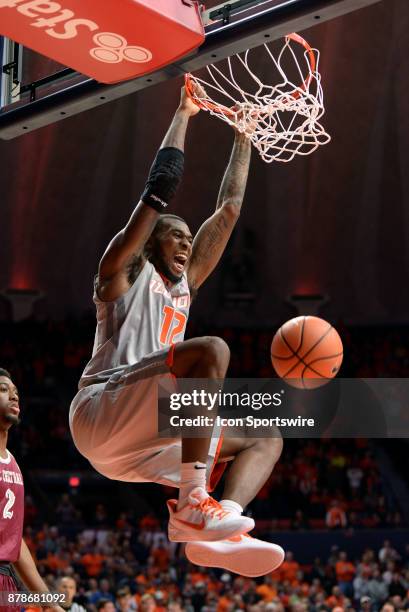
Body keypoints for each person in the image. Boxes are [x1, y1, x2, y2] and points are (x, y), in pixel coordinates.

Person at [69, 84, 284, 575]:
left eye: (190, 237)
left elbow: (228, 210)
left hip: (144, 444)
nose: (187, 243)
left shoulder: (183, 288)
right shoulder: (121, 273)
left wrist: (243, 135)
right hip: (102, 411)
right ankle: (193, 499)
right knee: (208, 351)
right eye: (176, 236)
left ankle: (218, 524)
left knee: (265, 436)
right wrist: (184, 113)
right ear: (152, 245)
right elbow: (158, 190)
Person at [0, 368, 64, 612]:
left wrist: (49, 603)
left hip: (7, 582)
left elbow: (14, 543)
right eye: (4, 390)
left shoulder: (13, 463)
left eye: (15, 392)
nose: (14, 397)